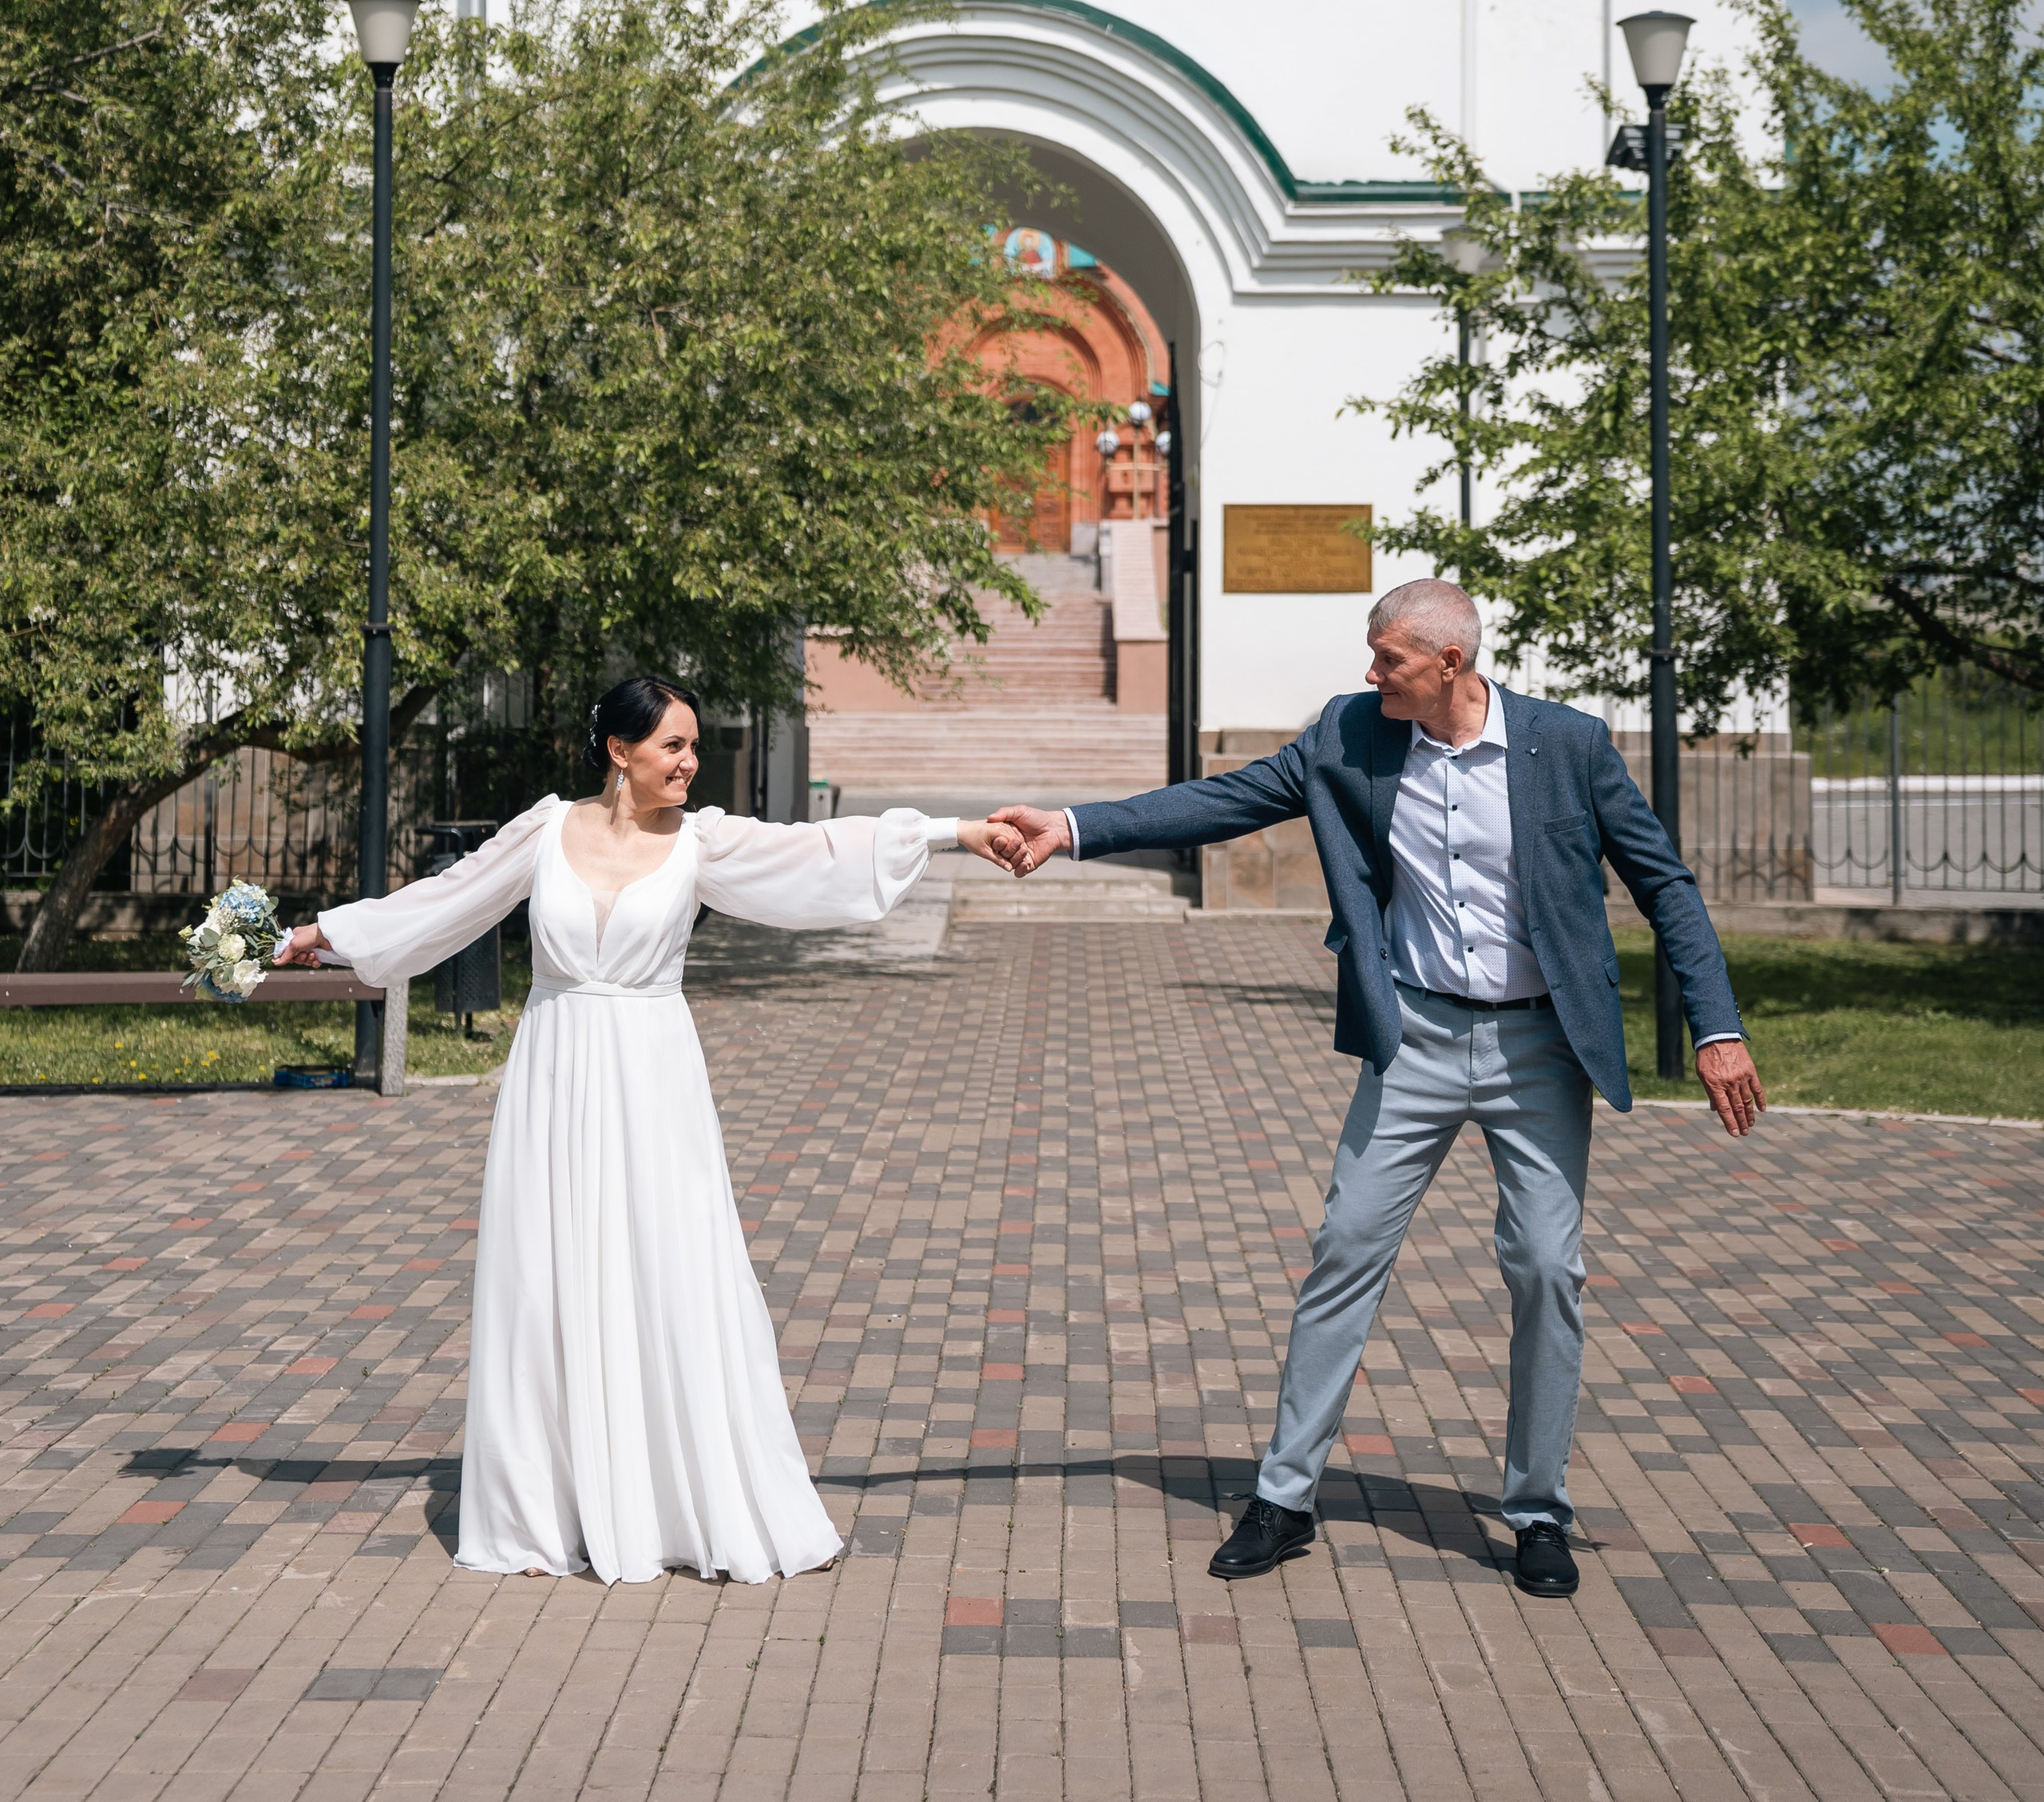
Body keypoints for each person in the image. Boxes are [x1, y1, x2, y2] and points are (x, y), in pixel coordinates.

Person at [990, 579, 1764, 1601]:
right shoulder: (1353, 735)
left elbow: (1663, 880)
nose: (1368, 673)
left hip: (1540, 1047)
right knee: (1346, 1247)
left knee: (1545, 1266)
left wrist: (1715, 1026)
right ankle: (1283, 1495)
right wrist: (1077, 826)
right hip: (1417, 1037)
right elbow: (1226, 798)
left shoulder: (1564, 745)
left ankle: (1537, 1509)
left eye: (1387, 657)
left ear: (1448, 663)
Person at [275, 676, 1024, 1585]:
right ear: (619, 751)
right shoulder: (545, 829)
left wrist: (957, 833)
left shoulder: (701, 842)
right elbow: (446, 898)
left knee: (670, 1267)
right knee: (548, 1277)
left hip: (653, 1079)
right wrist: (323, 932)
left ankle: (681, 1495)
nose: (690, 762)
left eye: (693, 746)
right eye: (674, 745)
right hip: (553, 1073)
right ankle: (552, 1505)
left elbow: (821, 848)